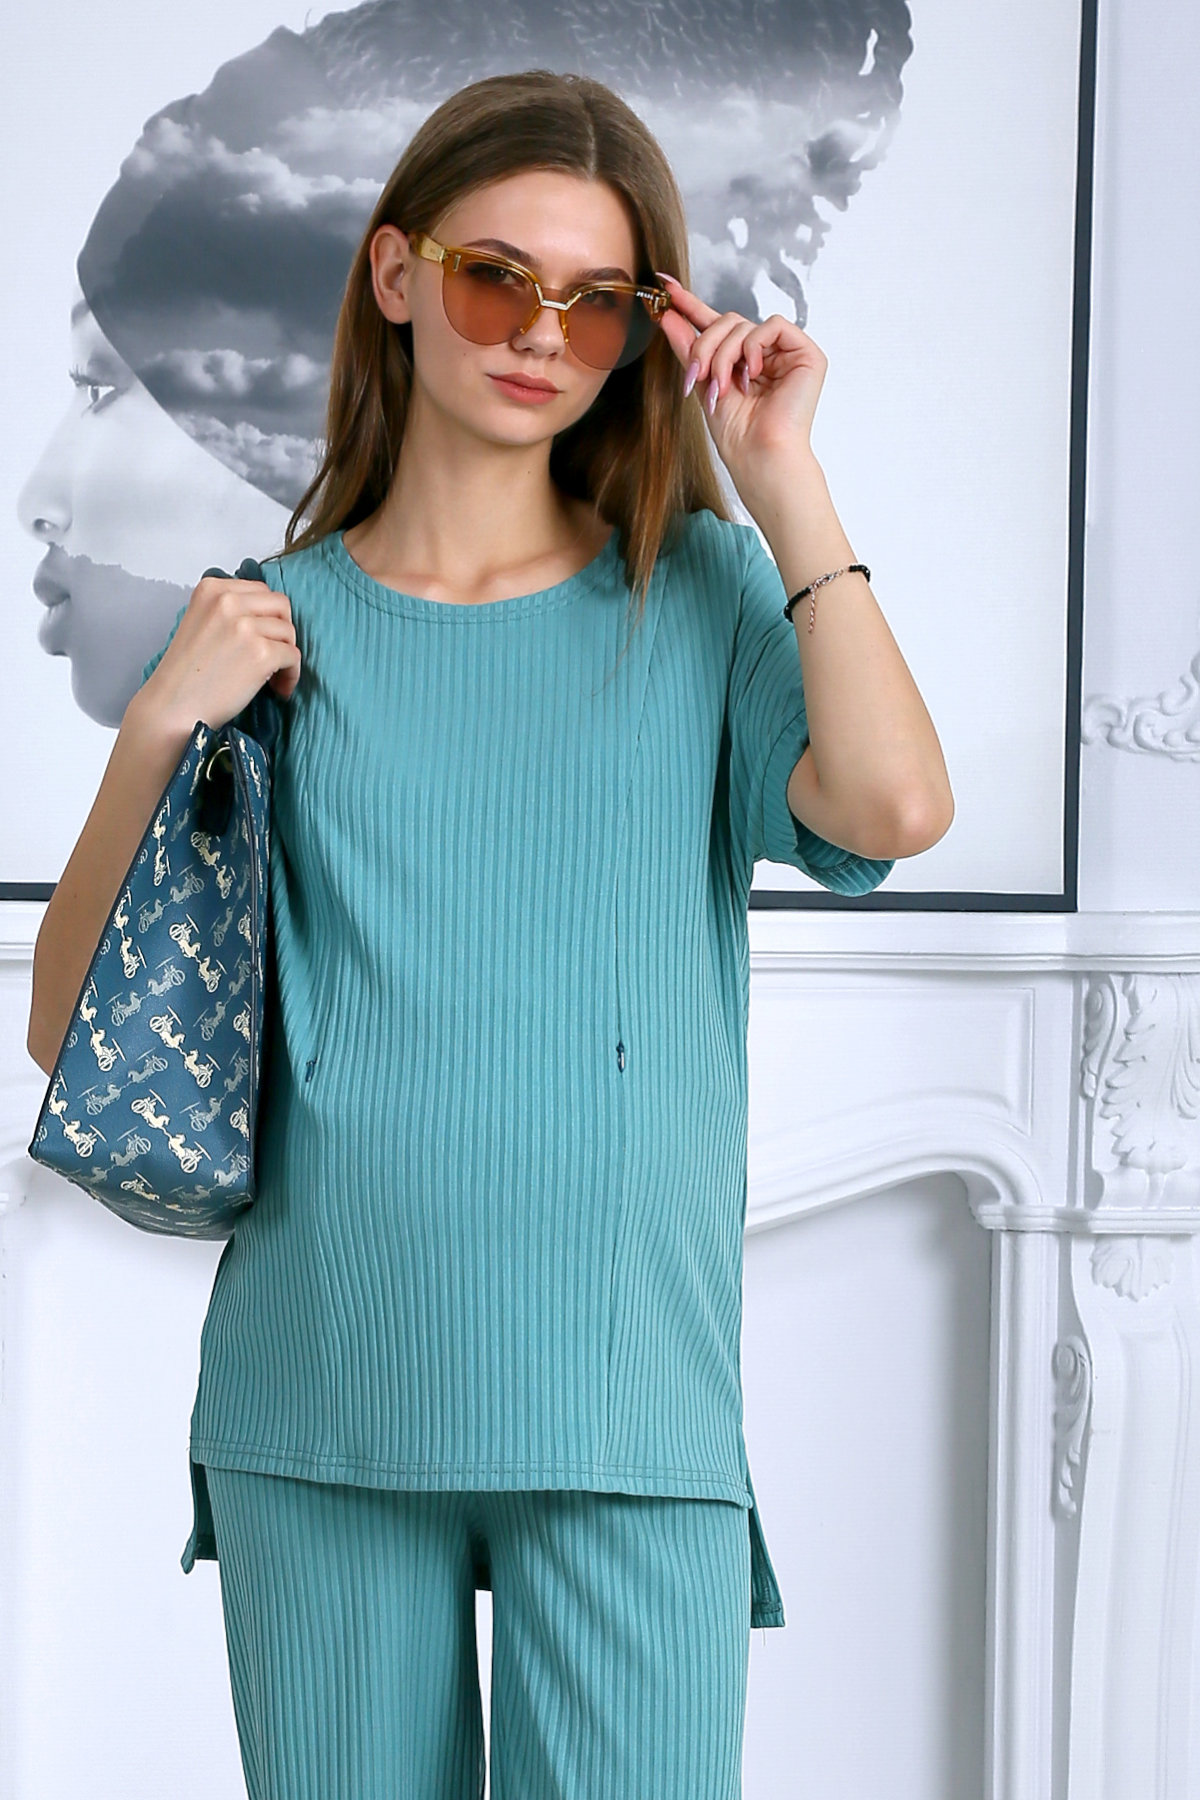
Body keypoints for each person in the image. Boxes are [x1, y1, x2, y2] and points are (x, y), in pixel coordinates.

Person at [26, 67, 953, 1800]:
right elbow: (68, 1034)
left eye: (593, 304)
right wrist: (160, 720)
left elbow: (893, 807)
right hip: (322, 1393)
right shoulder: (266, 630)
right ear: (395, 274)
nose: (540, 333)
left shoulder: (698, 593)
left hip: (626, 1401)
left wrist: (781, 480)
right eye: (493, 279)